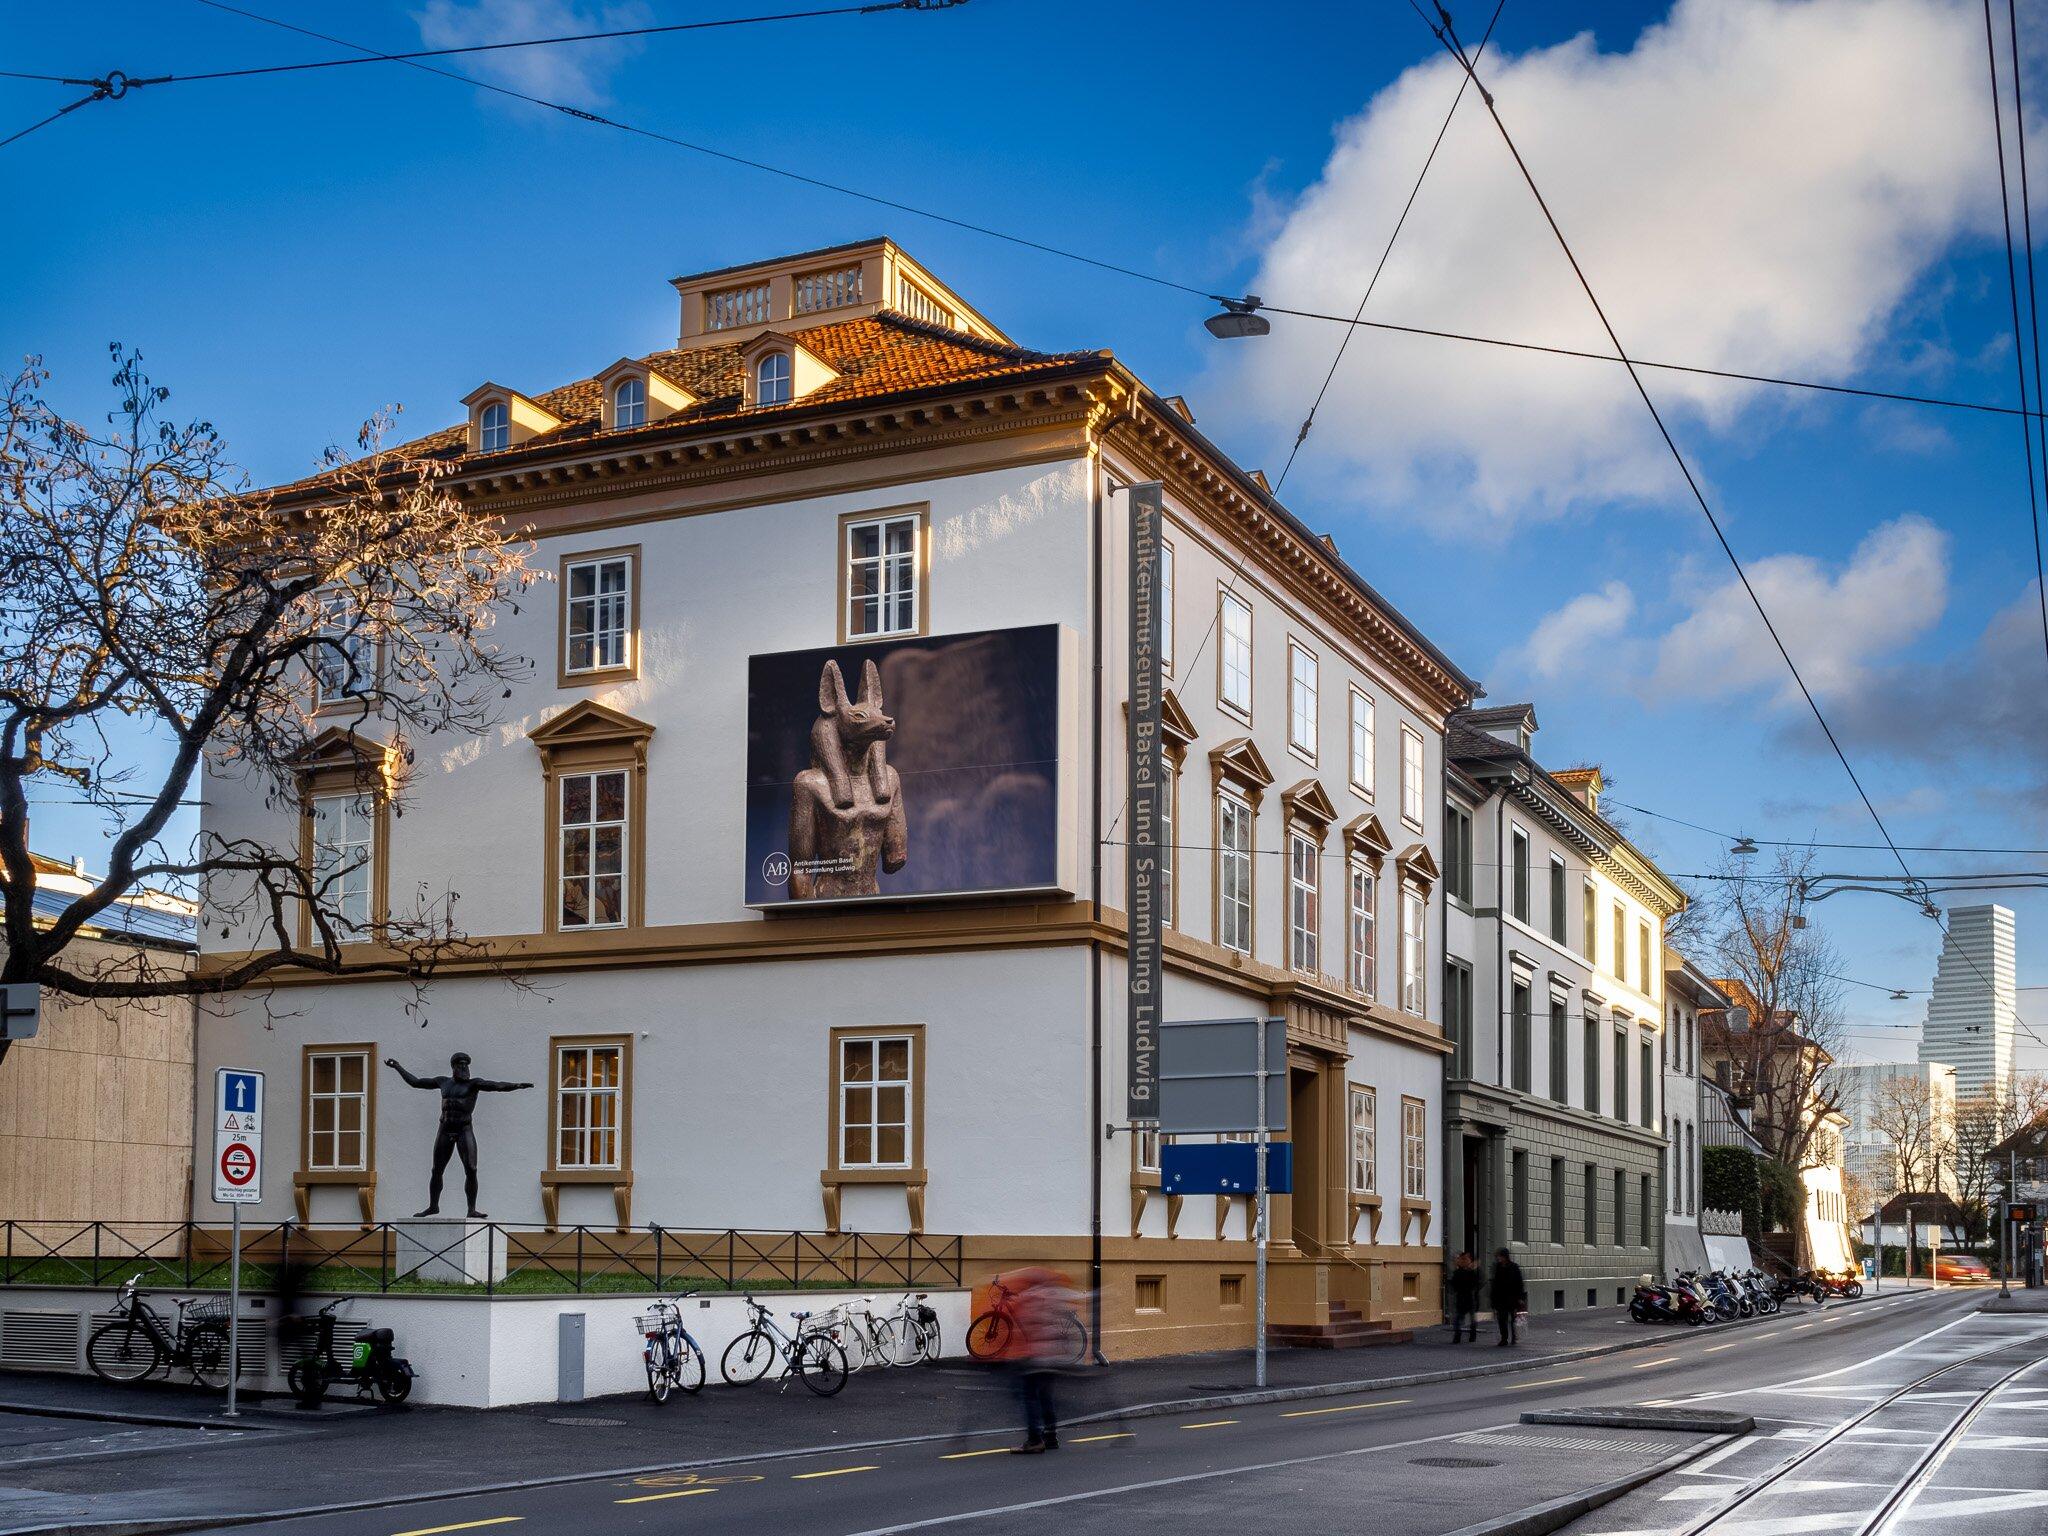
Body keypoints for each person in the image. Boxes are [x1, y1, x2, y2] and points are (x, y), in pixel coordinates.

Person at [385, 1053, 533, 1218]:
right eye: (461, 1065)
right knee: (436, 1170)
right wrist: (397, 1066)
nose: (464, 1068)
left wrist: (516, 1085)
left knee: (471, 1169)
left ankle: (471, 1209)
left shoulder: (474, 1084)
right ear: (453, 1067)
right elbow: (416, 1082)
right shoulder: (443, 1082)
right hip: (445, 1129)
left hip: (464, 1129)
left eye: (466, 1065)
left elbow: (496, 1086)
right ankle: (433, 1206)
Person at [1489, 1248, 1527, 1347]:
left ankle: (1514, 1336)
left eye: (1500, 1256)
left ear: (1505, 1256)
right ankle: (1504, 1338)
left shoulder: (1514, 1267)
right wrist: (1493, 1298)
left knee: (1513, 1319)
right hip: (1501, 1298)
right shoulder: (1498, 1267)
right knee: (1502, 1319)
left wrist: (1520, 1298)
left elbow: (1519, 1283)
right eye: (1497, 1256)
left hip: (1512, 1298)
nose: (1498, 1258)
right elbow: (1495, 1283)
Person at [1448, 1251, 1483, 1342]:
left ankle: (1470, 1334)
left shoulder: (1471, 1272)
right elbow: (1454, 1283)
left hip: (1469, 1297)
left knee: (1469, 1318)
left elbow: (1478, 1282)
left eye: (1465, 1259)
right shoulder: (1459, 1271)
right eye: (1462, 1259)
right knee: (1459, 1317)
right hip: (1462, 1297)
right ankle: (1458, 1335)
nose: (1463, 1261)